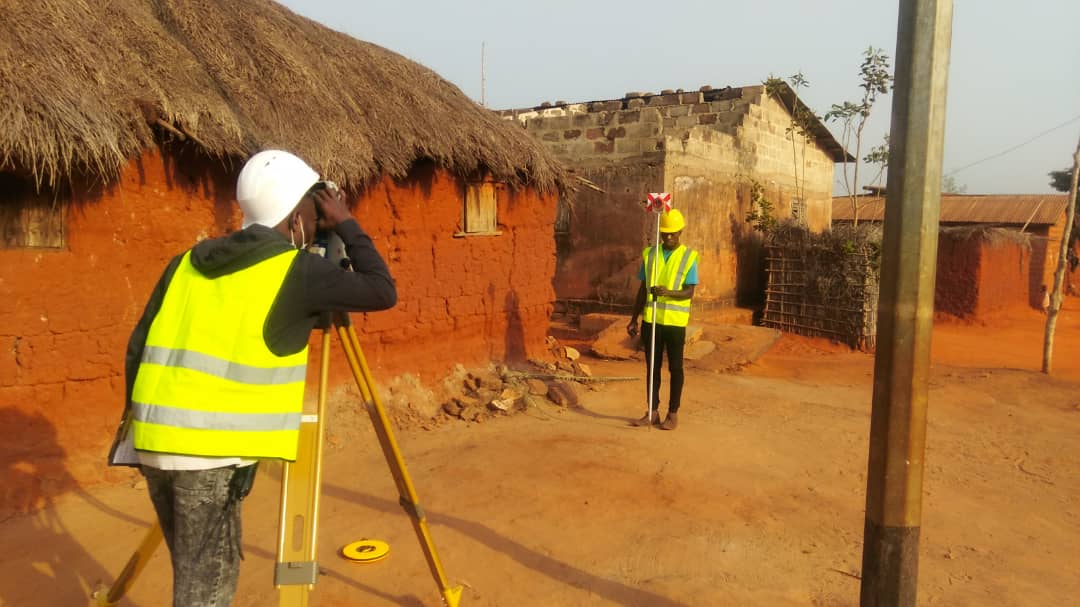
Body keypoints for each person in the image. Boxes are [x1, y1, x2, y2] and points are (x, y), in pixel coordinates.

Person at [109, 150, 396, 607]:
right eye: (313, 205)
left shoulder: (187, 262)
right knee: (205, 593)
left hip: (155, 441)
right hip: (207, 454)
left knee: (190, 571)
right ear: (296, 212)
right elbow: (382, 289)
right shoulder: (297, 271)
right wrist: (344, 221)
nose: (316, 214)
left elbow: (139, 346)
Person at [625, 208, 699, 431]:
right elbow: (642, 290)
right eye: (664, 233)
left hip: (675, 324)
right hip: (652, 322)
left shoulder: (689, 257)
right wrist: (633, 319)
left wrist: (668, 292)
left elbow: (689, 292)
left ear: (680, 232)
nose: (668, 237)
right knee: (652, 369)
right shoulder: (650, 254)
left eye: (672, 234)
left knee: (675, 369)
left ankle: (673, 413)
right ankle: (652, 412)